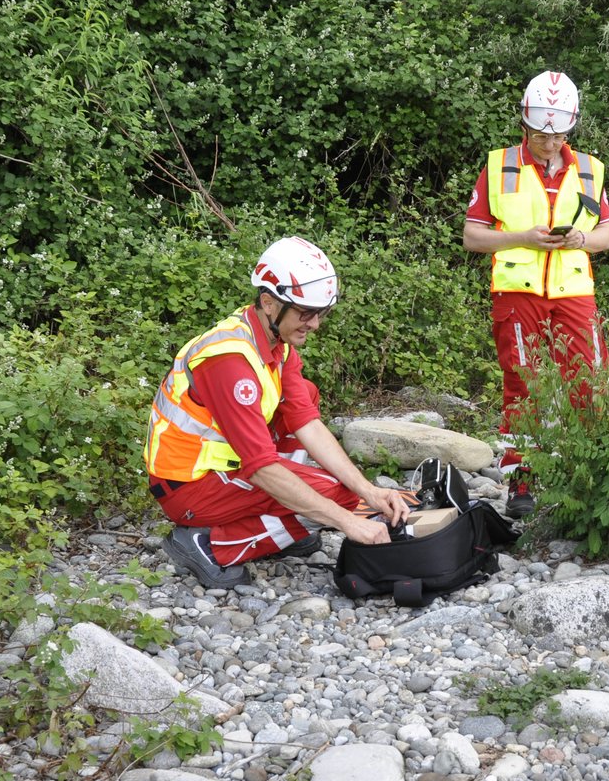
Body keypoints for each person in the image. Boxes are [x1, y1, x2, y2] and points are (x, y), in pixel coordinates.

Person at [143, 237, 412, 587]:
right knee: (335, 499)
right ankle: (209, 544)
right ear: (268, 303)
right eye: (306, 312)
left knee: (313, 414)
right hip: (189, 485)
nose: (315, 324)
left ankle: (282, 523)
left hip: (221, 466)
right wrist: (348, 521)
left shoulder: (275, 345)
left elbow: (307, 424)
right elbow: (262, 468)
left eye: (322, 313)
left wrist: (370, 491)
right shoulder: (229, 360)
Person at [462, 71, 609, 517]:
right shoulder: (498, 165)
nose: (550, 144)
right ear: (525, 125)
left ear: (571, 126)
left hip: (574, 292)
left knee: (590, 383)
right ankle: (521, 481)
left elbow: (605, 235)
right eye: (541, 135)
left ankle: (590, 473)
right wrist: (523, 237)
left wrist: (580, 241)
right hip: (517, 293)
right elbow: (473, 236)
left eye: (559, 135)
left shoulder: (589, 169)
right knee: (522, 385)